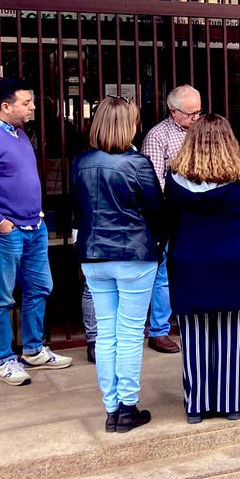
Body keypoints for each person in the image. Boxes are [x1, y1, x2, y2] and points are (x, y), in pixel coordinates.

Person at [0, 77, 71, 386]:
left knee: (39, 288)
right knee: (1, 296)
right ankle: (5, 359)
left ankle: (34, 350)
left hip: (34, 226)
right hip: (4, 231)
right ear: (5, 106)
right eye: (27, 103)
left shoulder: (20, 135)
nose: (33, 107)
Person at [71, 96, 164, 432]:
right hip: (133, 254)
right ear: (130, 125)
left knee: (106, 333)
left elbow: (77, 207)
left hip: (93, 255)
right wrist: (159, 242)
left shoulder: (81, 161)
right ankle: (127, 406)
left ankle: (111, 408)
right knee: (128, 334)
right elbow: (156, 210)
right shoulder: (137, 163)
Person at [165, 115, 240, 424]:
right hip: (235, 262)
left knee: (194, 339)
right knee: (235, 336)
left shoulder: (174, 178)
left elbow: (169, 219)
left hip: (190, 263)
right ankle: (232, 402)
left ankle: (197, 406)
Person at [140, 84, 202, 355]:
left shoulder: (200, 131)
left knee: (193, 267)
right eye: (191, 114)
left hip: (199, 213)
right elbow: (153, 183)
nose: (196, 118)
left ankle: (192, 317)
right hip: (170, 214)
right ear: (173, 111)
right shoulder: (157, 136)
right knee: (163, 273)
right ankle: (159, 331)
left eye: (199, 112)